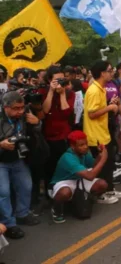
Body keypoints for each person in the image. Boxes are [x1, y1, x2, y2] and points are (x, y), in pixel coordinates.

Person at [0, 91, 41, 239]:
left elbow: (36, 133)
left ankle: (22, 214)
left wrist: (37, 123)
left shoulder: (25, 116)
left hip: (18, 157)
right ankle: (8, 224)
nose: (20, 111)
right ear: (6, 107)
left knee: (26, 186)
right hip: (1, 161)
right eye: (16, 108)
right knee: (3, 192)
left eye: (22, 107)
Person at [83, 61, 121, 204]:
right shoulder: (94, 90)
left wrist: (109, 105)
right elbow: (92, 114)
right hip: (95, 136)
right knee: (101, 165)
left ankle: (110, 189)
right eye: (109, 70)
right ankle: (101, 194)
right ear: (102, 73)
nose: (112, 72)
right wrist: (109, 108)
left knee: (109, 163)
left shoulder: (101, 88)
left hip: (103, 133)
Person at [50, 131, 109, 223]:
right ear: (72, 146)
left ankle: (81, 200)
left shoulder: (84, 153)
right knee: (65, 193)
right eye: (81, 145)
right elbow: (90, 176)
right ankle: (56, 210)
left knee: (102, 184)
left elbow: (93, 165)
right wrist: (103, 160)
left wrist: (100, 155)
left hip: (79, 179)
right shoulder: (68, 157)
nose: (85, 147)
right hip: (64, 182)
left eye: (86, 143)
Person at [42, 66, 76, 201]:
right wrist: (51, 91)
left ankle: (66, 193)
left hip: (64, 135)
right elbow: (44, 111)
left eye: (62, 79)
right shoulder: (44, 91)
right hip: (49, 136)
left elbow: (67, 113)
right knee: (50, 168)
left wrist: (62, 94)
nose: (60, 82)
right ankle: (51, 196)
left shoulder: (69, 93)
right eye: (57, 80)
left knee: (65, 167)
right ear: (49, 80)